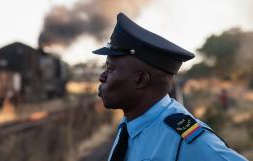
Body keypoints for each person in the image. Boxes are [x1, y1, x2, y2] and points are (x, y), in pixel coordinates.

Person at [92, 13, 248, 161]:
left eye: (110, 69)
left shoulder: (187, 141)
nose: (102, 76)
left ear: (140, 79)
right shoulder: (129, 127)